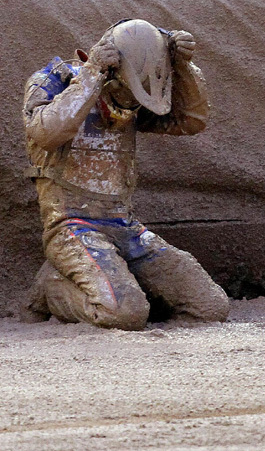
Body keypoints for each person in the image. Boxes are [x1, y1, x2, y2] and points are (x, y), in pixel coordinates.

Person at [20, 19, 230, 330]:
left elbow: (191, 120)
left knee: (209, 305)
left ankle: (119, 287)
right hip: (71, 225)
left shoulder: (127, 102)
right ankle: (53, 288)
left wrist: (182, 66)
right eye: (129, 91)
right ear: (113, 75)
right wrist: (91, 74)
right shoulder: (57, 81)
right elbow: (47, 133)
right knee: (124, 314)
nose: (131, 103)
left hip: (124, 225)